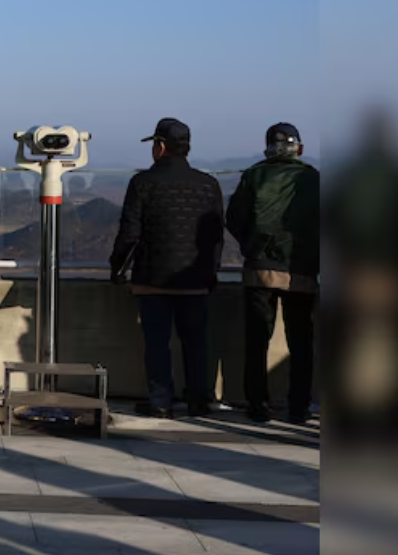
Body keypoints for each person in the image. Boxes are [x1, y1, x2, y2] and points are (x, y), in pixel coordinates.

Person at [109, 118, 225, 419]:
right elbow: (215, 238)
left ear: (160, 147)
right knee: (196, 342)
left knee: (157, 343)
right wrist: (211, 274)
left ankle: (161, 401)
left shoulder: (142, 183)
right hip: (195, 278)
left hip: (152, 278)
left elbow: (129, 233)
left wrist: (117, 268)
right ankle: (199, 399)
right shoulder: (208, 184)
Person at [226, 123, 319, 424]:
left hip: (259, 271)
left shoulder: (253, 175)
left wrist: (252, 247)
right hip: (301, 272)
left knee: (256, 341)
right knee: (301, 343)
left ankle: (258, 405)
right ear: (299, 148)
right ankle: (298, 407)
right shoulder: (311, 177)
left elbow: (234, 218)